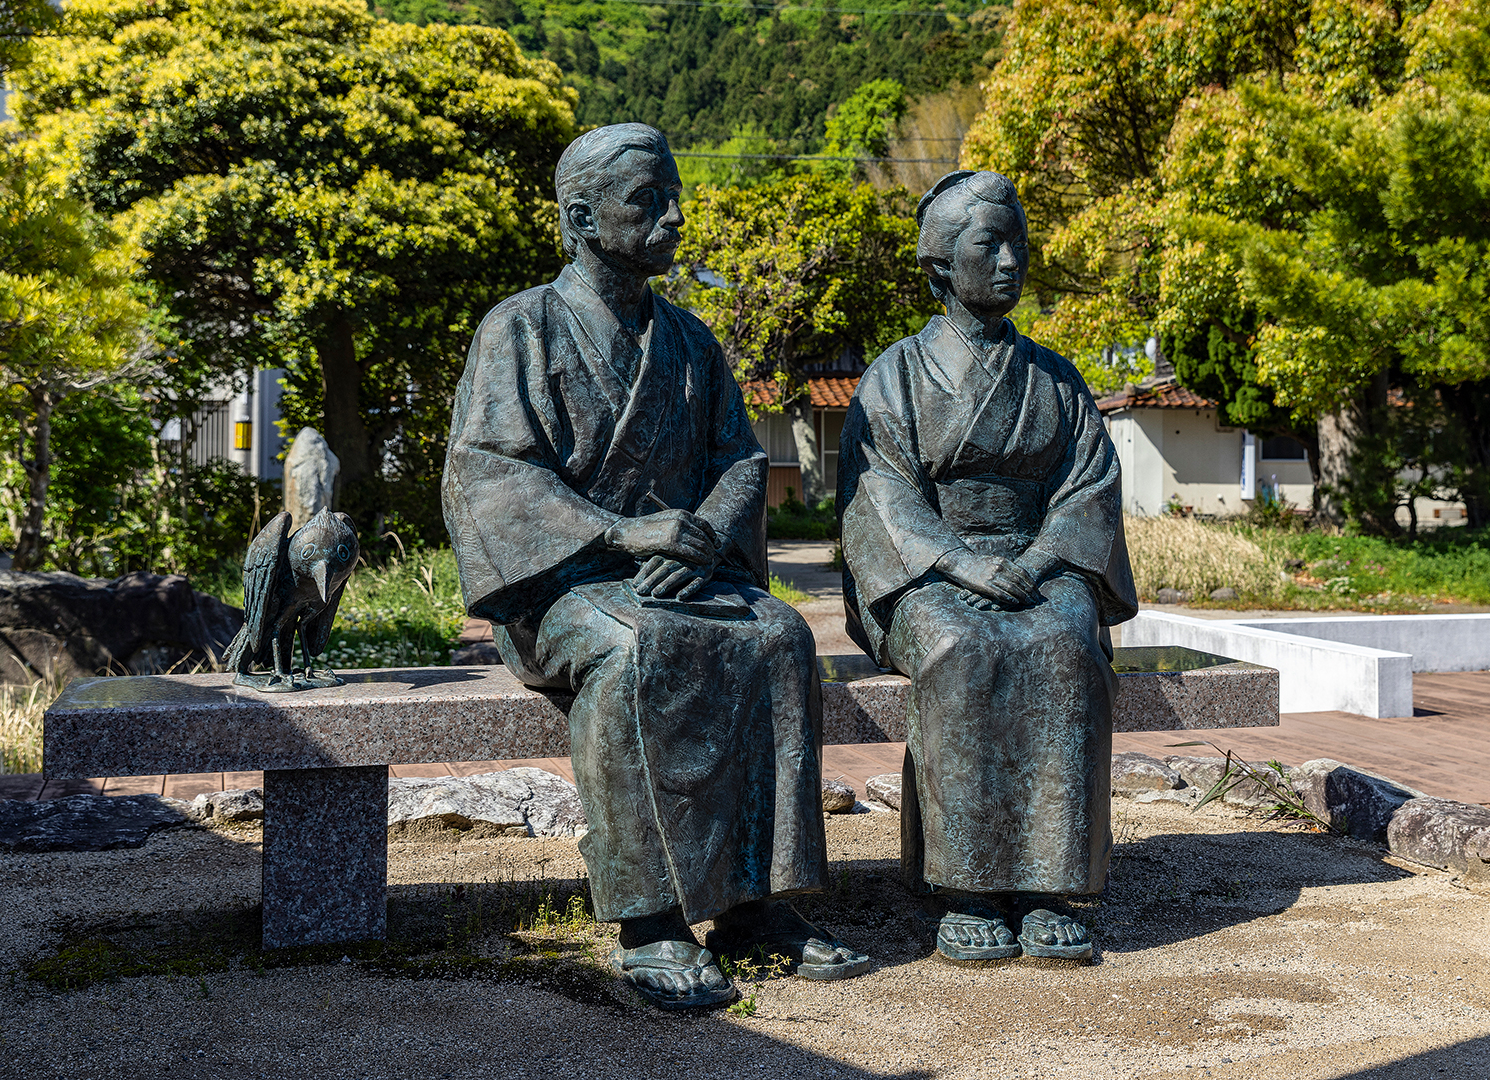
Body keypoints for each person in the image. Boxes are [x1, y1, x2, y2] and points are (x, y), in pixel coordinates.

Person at [442, 123, 867, 1010]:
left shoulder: (690, 340)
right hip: (559, 586)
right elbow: (489, 472)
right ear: (582, 218)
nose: (675, 215)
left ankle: (759, 904)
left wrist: (705, 534)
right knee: (636, 650)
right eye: (649, 201)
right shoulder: (518, 328)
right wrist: (621, 534)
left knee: (781, 634)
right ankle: (651, 915)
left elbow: (739, 461)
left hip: (687, 571)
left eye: (674, 194)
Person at [838, 169, 1138, 963]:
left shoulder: (1057, 378)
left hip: (1044, 562)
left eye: (1019, 243)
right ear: (939, 266)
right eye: (988, 244)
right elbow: (881, 497)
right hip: (932, 571)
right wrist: (961, 562)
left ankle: (1048, 883)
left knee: (1067, 647)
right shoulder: (896, 375)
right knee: (960, 648)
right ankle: (965, 885)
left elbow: (1090, 487)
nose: (1010, 260)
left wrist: (1040, 559)